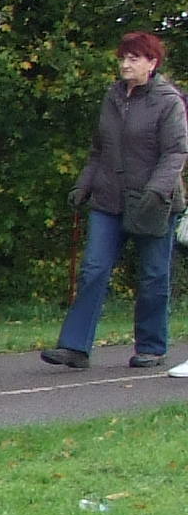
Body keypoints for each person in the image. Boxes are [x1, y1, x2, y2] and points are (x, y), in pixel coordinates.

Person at [43, 31, 187, 372]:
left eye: (134, 58)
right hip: (109, 198)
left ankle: (151, 347)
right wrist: (84, 185)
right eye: (123, 57)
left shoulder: (168, 101)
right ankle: (75, 348)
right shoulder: (113, 97)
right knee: (94, 269)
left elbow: (176, 153)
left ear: (152, 63)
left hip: (154, 201)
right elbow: (100, 149)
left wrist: (155, 191)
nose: (125, 64)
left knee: (153, 276)